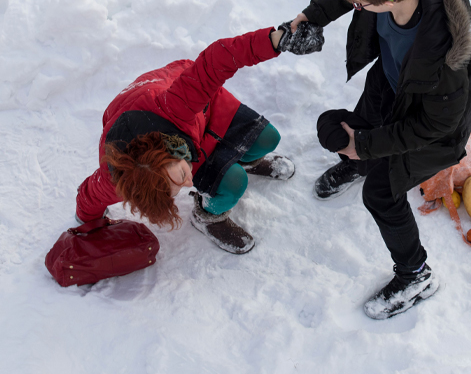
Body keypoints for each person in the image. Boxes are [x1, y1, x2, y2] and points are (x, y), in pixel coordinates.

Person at [288, 0, 471, 319]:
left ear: (389, 0)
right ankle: (359, 163)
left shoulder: (445, 61)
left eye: (360, 6)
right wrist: (312, 15)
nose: (355, 9)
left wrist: (363, 146)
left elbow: (433, 125)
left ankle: (416, 275)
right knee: (363, 121)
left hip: (436, 125)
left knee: (381, 193)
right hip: (393, 81)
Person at [76, 24, 324, 254]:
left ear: (170, 154)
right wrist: (87, 224)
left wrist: (276, 39)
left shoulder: (177, 104)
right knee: (234, 182)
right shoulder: (117, 177)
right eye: (180, 187)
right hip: (183, 136)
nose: (188, 185)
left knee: (268, 138)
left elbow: (219, 58)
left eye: (182, 176)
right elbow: (89, 196)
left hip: (198, 111)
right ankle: (207, 218)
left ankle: (245, 160)